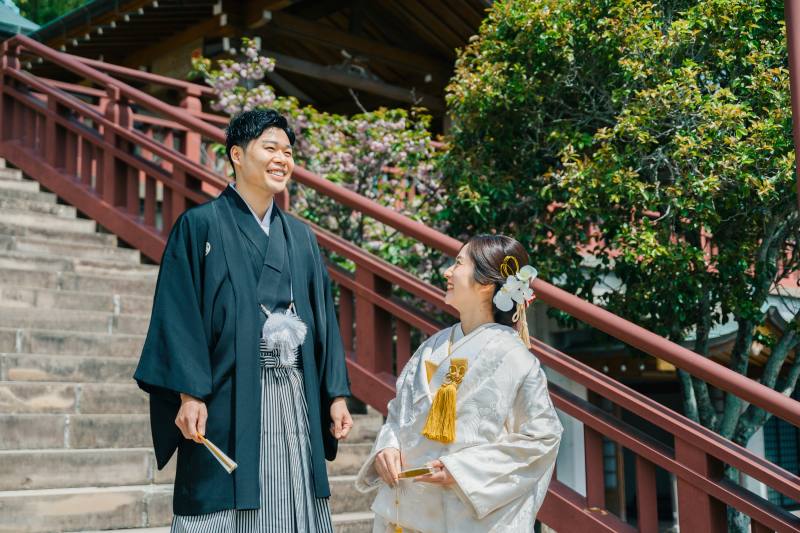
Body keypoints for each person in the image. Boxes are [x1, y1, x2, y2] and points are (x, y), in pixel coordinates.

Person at [134, 109, 353, 532]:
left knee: (293, 501)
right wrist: (188, 395)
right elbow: (177, 315)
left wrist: (336, 394)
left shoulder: (302, 237)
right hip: (225, 395)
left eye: (288, 151)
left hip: (293, 397)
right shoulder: (198, 226)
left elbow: (323, 319)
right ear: (237, 154)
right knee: (220, 501)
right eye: (270, 147)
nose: (282, 159)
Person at [355, 234, 563, 533]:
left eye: (458, 264)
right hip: (409, 509)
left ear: (485, 285)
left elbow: (543, 438)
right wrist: (387, 446)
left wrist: (462, 470)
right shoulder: (432, 345)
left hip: (467, 516)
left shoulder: (515, 358)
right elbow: (399, 414)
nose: (447, 273)